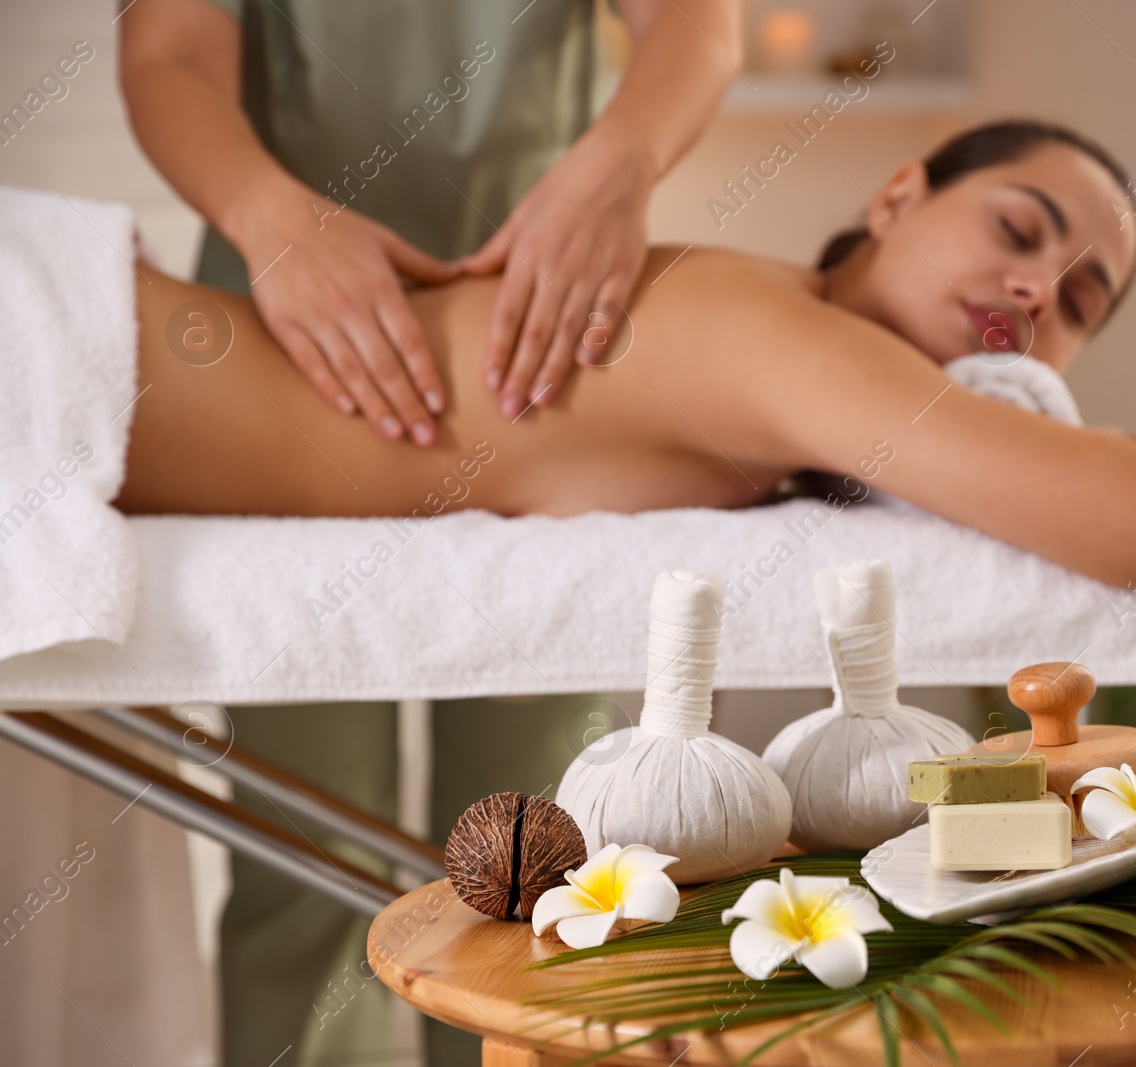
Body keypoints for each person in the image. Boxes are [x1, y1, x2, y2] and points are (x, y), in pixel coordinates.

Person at [117, 2, 740, 1063]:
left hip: (532, 356)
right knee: (303, 869)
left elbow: (699, 21)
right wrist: (274, 219)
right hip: (282, 354)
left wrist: (620, 163)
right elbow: (167, 50)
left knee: (533, 872)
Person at [118, 121, 1136, 590]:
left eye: (1080, 298)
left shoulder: (781, 330)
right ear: (898, 196)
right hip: (67, 347)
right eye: (1016, 229)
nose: (1036, 289)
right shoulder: (790, 339)